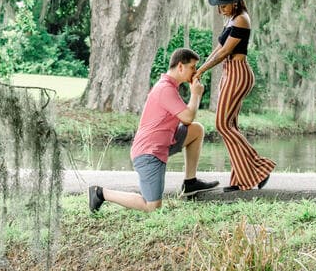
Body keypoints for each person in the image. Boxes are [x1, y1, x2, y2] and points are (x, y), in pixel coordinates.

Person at [88, 47, 219, 212]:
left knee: (196, 130)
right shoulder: (165, 88)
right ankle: (100, 193)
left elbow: (187, 121)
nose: (195, 72)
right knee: (152, 206)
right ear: (180, 66)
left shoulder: (169, 86)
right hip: (149, 153)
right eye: (192, 67)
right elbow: (187, 117)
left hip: (164, 143)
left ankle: (190, 183)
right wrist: (195, 94)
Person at [196, 0, 275, 192]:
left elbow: (224, 53)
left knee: (222, 125)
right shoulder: (232, 19)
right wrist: (201, 67)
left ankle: (259, 166)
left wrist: (202, 71)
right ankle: (242, 180)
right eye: (219, 4)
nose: (221, 8)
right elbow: (219, 48)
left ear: (236, 2)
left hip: (238, 72)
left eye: (225, 4)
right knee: (231, 126)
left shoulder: (241, 20)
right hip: (229, 72)